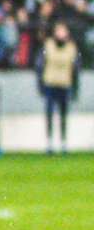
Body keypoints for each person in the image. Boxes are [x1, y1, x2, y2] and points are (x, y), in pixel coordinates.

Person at [36, 22, 80, 154]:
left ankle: (63, 143)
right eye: (59, 31)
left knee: (63, 115)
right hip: (50, 83)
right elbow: (40, 65)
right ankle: (49, 143)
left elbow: (76, 69)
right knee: (49, 114)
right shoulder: (48, 45)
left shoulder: (72, 47)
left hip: (64, 84)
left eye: (63, 31)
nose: (61, 33)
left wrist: (75, 88)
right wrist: (40, 85)